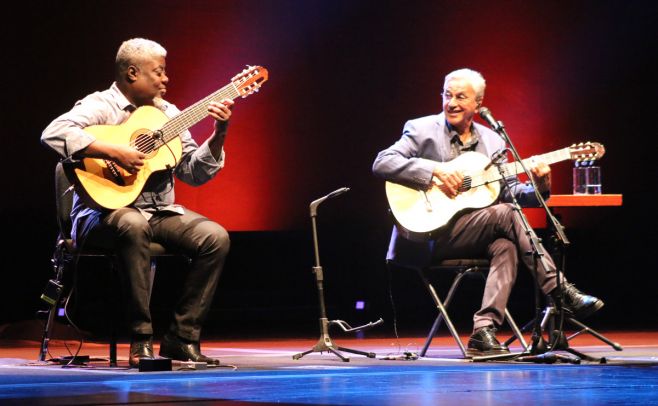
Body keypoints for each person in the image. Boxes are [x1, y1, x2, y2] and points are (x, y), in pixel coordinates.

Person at [372, 68, 603, 356]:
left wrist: (541, 186)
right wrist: (434, 172)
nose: (451, 103)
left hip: (471, 231)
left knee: (505, 245)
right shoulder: (421, 129)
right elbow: (382, 162)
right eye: (447, 95)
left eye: (460, 97)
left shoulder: (493, 141)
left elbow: (510, 195)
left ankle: (484, 330)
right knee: (506, 215)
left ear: (478, 105)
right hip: (427, 234)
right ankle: (560, 291)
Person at [42, 38, 233, 367]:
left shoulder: (168, 114)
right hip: (100, 213)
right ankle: (141, 337)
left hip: (158, 212)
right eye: (159, 72)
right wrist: (113, 151)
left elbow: (193, 173)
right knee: (133, 224)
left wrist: (218, 134)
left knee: (214, 237)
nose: (166, 79)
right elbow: (53, 133)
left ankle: (181, 338)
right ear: (132, 73)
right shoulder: (100, 105)